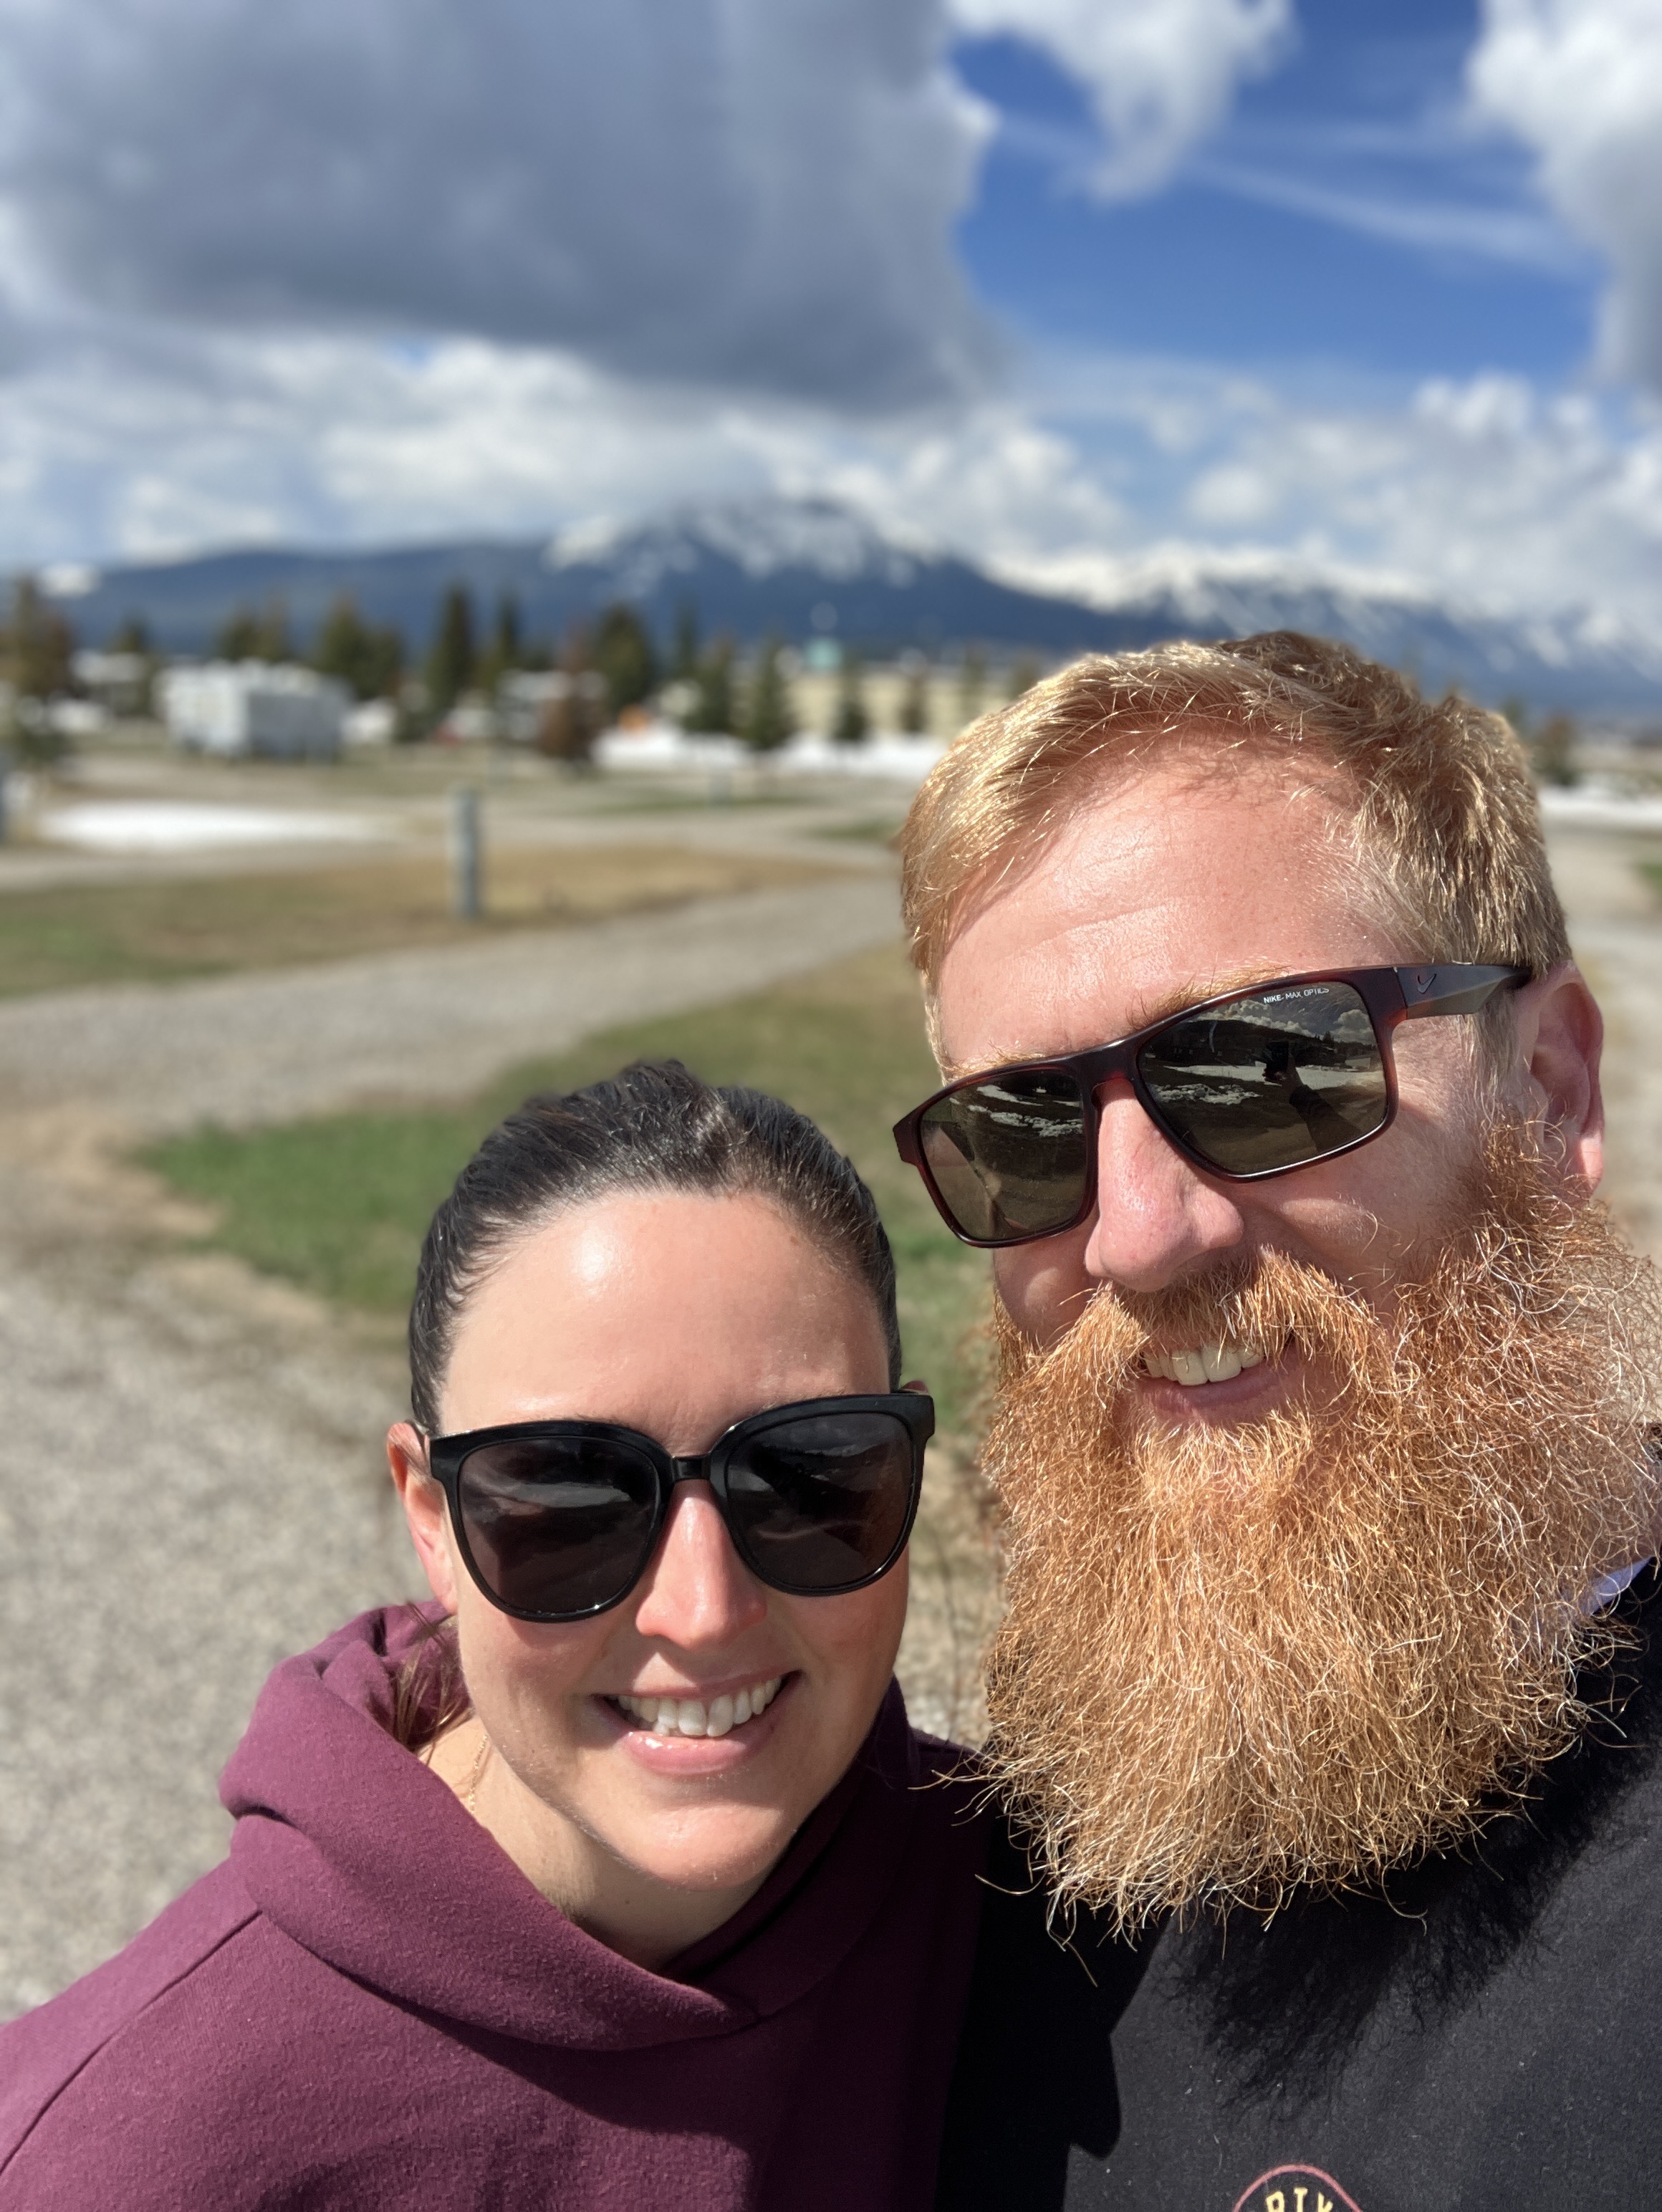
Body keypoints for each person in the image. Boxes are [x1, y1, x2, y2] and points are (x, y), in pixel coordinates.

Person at [893, 635, 1662, 2210]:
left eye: (1263, 1064)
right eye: (1023, 1128)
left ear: (1552, 1089)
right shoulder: (1010, 1837)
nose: (1134, 1236)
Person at [0, 1062, 990, 2211]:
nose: (704, 1607)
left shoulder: (1048, 1937)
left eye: (809, 1473)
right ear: (429, 1516)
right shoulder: (120, 2156)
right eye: (570, 1497)